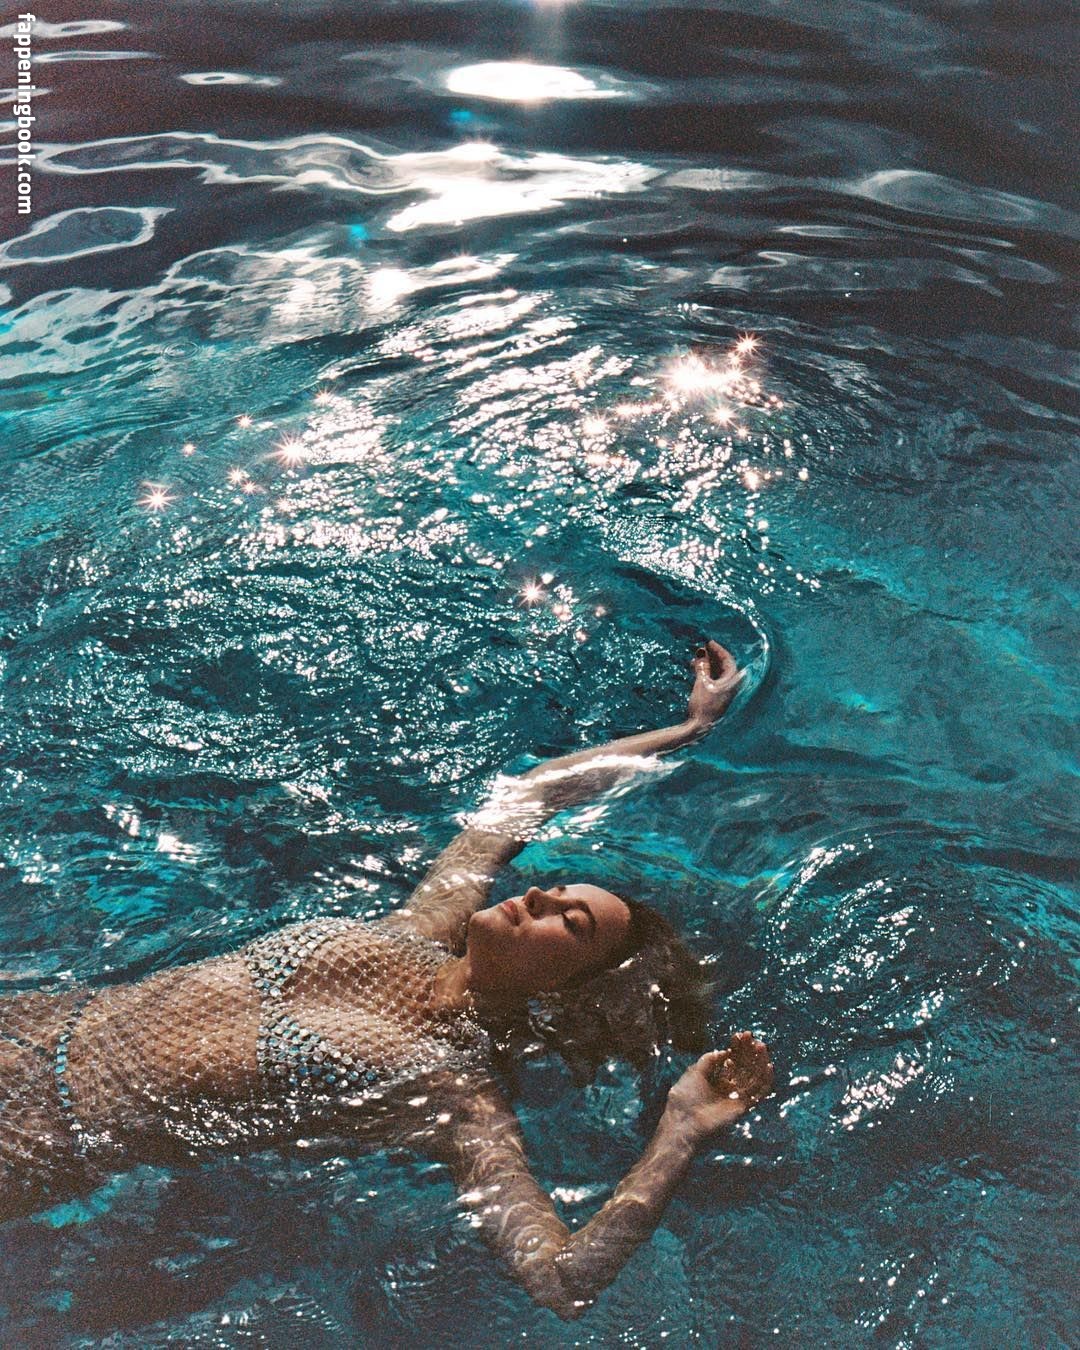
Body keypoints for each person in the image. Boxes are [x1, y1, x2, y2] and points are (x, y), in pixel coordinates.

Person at [0, 639, 773, 1319]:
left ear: (565, 993)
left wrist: (680, 1129)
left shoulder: (455, 1096)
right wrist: (690, 731)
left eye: (569, 924)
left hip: (35, 1142)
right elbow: (532, 795)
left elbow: (559, 1278)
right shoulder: (421, 930)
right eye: (560, 889)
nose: (539, 894)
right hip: (33, 1020)